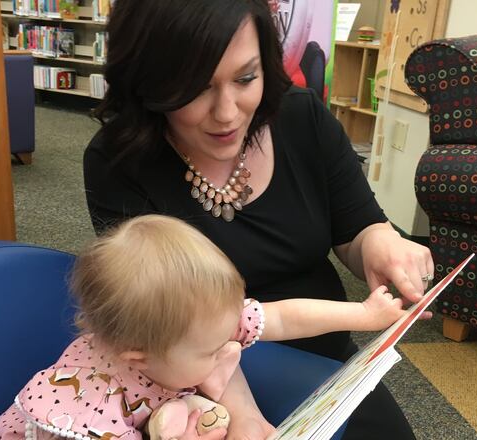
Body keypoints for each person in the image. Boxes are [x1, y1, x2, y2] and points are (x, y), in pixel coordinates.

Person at [82, 1, 435, 438]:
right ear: (151, 83)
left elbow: (357, 226)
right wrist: (244, 416)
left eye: (246, 77)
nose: (228, 113)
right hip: (193, 371)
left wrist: (381, 243)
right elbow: (166, 326)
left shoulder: (302, 118)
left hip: (324, 349)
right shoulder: (120, 163)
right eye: (195, 88)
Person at [0, 215, 422, 439]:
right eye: (212, 352)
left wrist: (365, 315)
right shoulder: (94, 411)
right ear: (139, 357)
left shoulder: (192, 324)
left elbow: (284, 316)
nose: (230, 354)